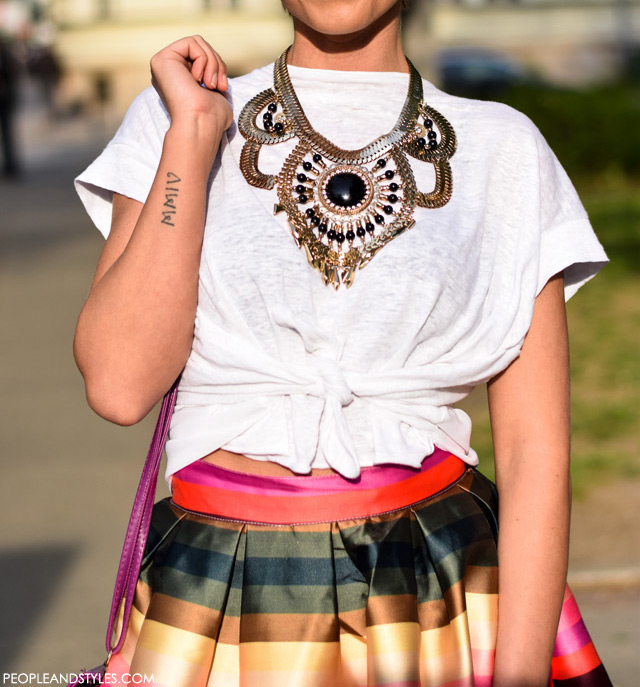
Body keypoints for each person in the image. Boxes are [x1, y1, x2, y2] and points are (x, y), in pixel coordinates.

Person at [73, 1, 612, 685]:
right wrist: (192, 140)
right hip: (214, 593)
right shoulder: (179, 116)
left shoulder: (504, 146)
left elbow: (536, 450)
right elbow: (118, 385)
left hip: (434, 589)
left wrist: (522, 674)